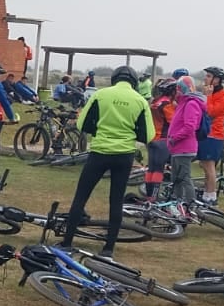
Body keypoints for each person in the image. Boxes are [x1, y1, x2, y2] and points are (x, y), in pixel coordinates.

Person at [58, 67, 155, 256]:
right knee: (116, 200)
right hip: (124, 155)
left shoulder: (101, 95)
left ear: (114, 79)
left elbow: (82, 124)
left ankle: (67, 242)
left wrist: (98, 130)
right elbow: (148, 134)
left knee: (81, 196)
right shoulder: (140, 101)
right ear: (134, 82)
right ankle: (108, 248)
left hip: (100, 152)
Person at [164, 75, 205, 204]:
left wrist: (174, 138)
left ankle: (190, 205)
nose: (176, 92)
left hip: (184, 148)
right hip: (178, 149)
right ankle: (177, 202)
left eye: (178, 89)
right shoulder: (183, 103)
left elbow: (190, 127)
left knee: (185, 178)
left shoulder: (191, 104)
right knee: (176, 178)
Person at [197, 66, 224, 202]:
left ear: (217, 80)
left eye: (209, 76)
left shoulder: (223, 96)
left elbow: (210, 112)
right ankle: (207, 192)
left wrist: (208, 96)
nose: (206, 78)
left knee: (209, 166)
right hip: (204, 132)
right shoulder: (206, 92)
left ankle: (211, 196)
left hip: (213, 134)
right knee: (204, 166)